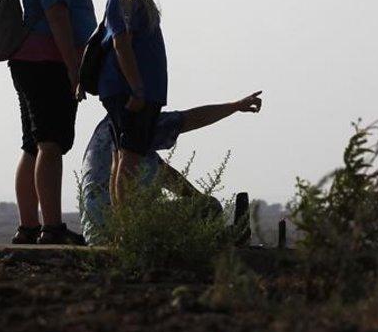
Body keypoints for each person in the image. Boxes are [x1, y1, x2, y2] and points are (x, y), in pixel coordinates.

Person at [8, 0, 97, 245]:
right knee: (50, 143)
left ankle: (30, 226)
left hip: (31, 61)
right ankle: (51, 227)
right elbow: (57, 16)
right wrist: (75, 68)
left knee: (33, 144)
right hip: (48, 61)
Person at [78, 92, 264, 244]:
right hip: (123, 232)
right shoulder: (136, 124)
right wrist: (236, 106)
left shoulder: (111, 131)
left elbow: (167, 176)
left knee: (203, 206)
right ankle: (222, 240)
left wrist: (196, 200)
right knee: (208, 207)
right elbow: (190, 119)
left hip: (95, 235)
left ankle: (219, 236)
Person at [97, 0, 171, 207]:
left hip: (141, 91)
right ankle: (126, 230)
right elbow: (121, 43)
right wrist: (137, 89)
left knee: (127, 155)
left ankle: (125, 227)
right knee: (129, 157)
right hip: (130, 92)